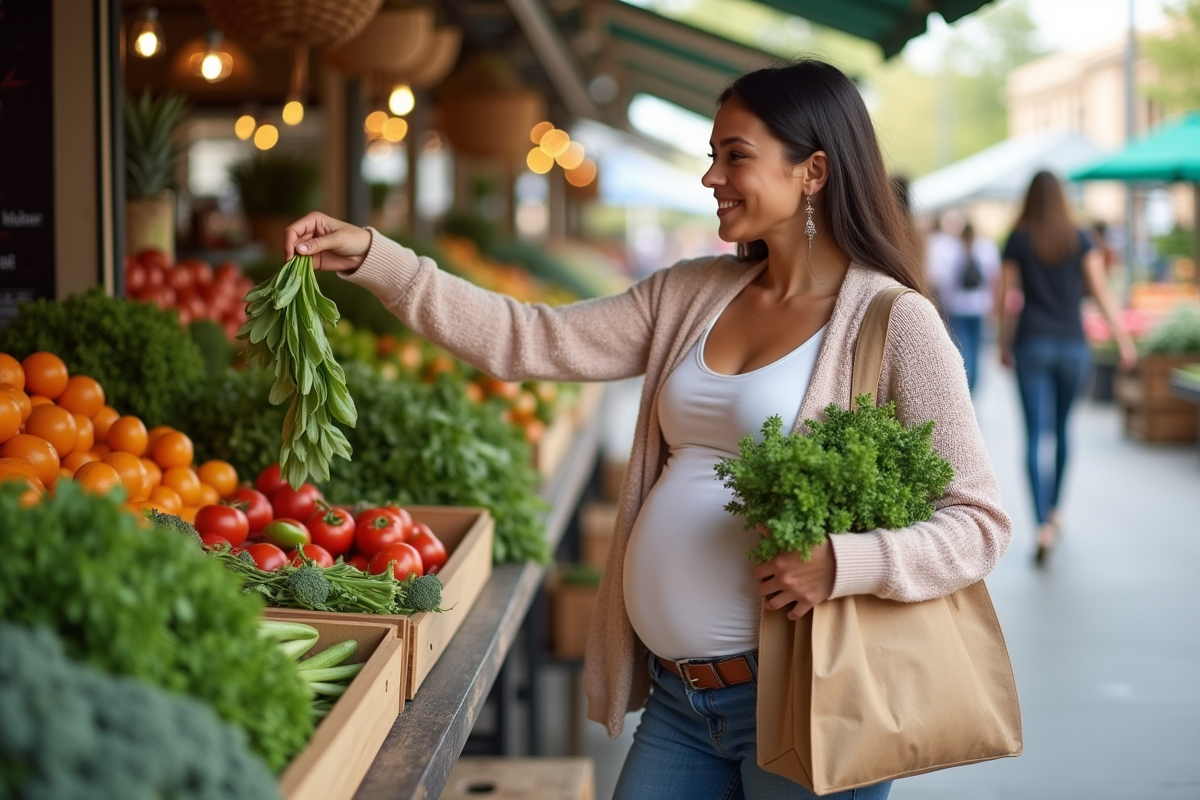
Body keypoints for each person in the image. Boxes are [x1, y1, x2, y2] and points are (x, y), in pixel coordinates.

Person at [284, 59, 1012, 800]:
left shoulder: (893, 322)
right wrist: (380, 261)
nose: (712, 177)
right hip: (680, 700)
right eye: (711, 156)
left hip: (809, 697)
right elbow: (528, 338)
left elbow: (979, 522)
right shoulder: (691, 293)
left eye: (736, 156)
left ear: (813, 172)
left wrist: (844, 562)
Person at [998, 171, 1136, 565]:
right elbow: (1101, 291)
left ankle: (1040, 523)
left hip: (1032, 343)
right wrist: (1123, 340)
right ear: (1062, 199)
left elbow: (1005, 296)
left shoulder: (1018, 238)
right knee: (1061, 431)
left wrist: (1004, 344)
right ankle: (1056, 510)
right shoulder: (1081, 239)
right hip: (1074, 346)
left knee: (1032, 436)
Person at [927, 217, 1001, 393]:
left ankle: (965, 388)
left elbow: (940, 280)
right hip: (979, 307)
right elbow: (994, 280)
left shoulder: (950, 249)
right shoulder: (986, 248)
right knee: (975, 351)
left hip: (957, 308)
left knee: (962, 350)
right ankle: (971, 387)